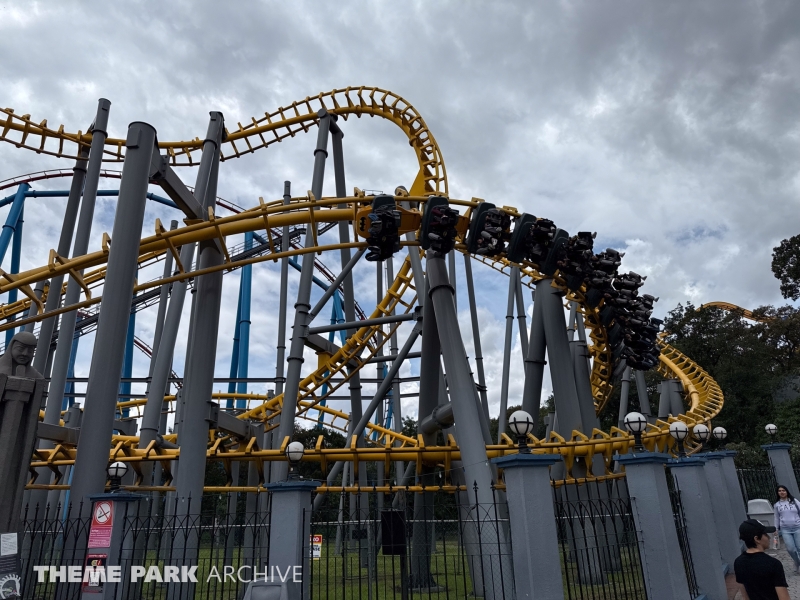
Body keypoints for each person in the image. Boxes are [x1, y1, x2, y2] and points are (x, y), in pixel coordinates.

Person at [735, 519, 790, 600]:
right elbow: (784, 598)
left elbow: (745, 596)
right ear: (757, 539)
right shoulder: (773, 564)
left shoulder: (738, 562)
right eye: (765, 534)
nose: (769, 537)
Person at [774, 484, 800, 573]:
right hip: (785, 530)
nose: (782, 492)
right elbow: (776, 517)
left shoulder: (794, 501)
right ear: (778, 493)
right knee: (790, 549)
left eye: (783, 490)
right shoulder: (777, 505)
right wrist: (776, 528)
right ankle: (797, 562)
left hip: (797, 528)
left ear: (787, 491)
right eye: (779, 491)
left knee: (799, 547)